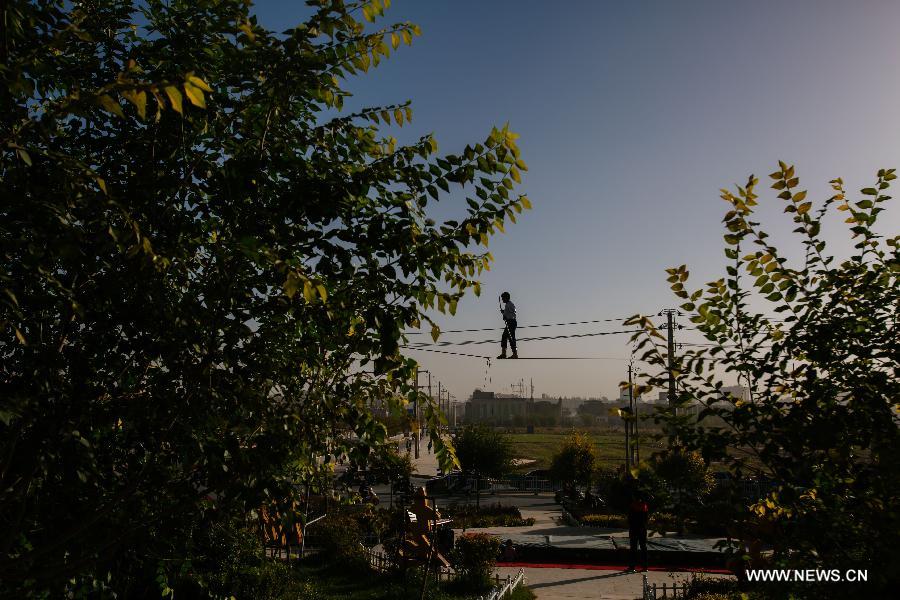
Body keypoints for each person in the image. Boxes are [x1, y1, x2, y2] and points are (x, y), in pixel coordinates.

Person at [627, 492, 650, 571]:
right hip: (642, 529)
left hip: (634, 529)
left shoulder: (632, 506)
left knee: (633, 547)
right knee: (643, 547)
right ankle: (645, 566)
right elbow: (646, 519)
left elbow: (630, 519)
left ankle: (632, 566)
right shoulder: (645, 507)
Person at [497, 291, 518, 359]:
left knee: (507, 337)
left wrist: (504, 314)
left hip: (510, 322)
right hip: (512, 322)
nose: (502, 299)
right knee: (510, 338)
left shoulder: (508, 305)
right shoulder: (511, 304)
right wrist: (504, 312)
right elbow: (511, 312)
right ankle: (513, 354)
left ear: (506, 298)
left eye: (503, 298)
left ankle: (506, 354)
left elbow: (507, 316)